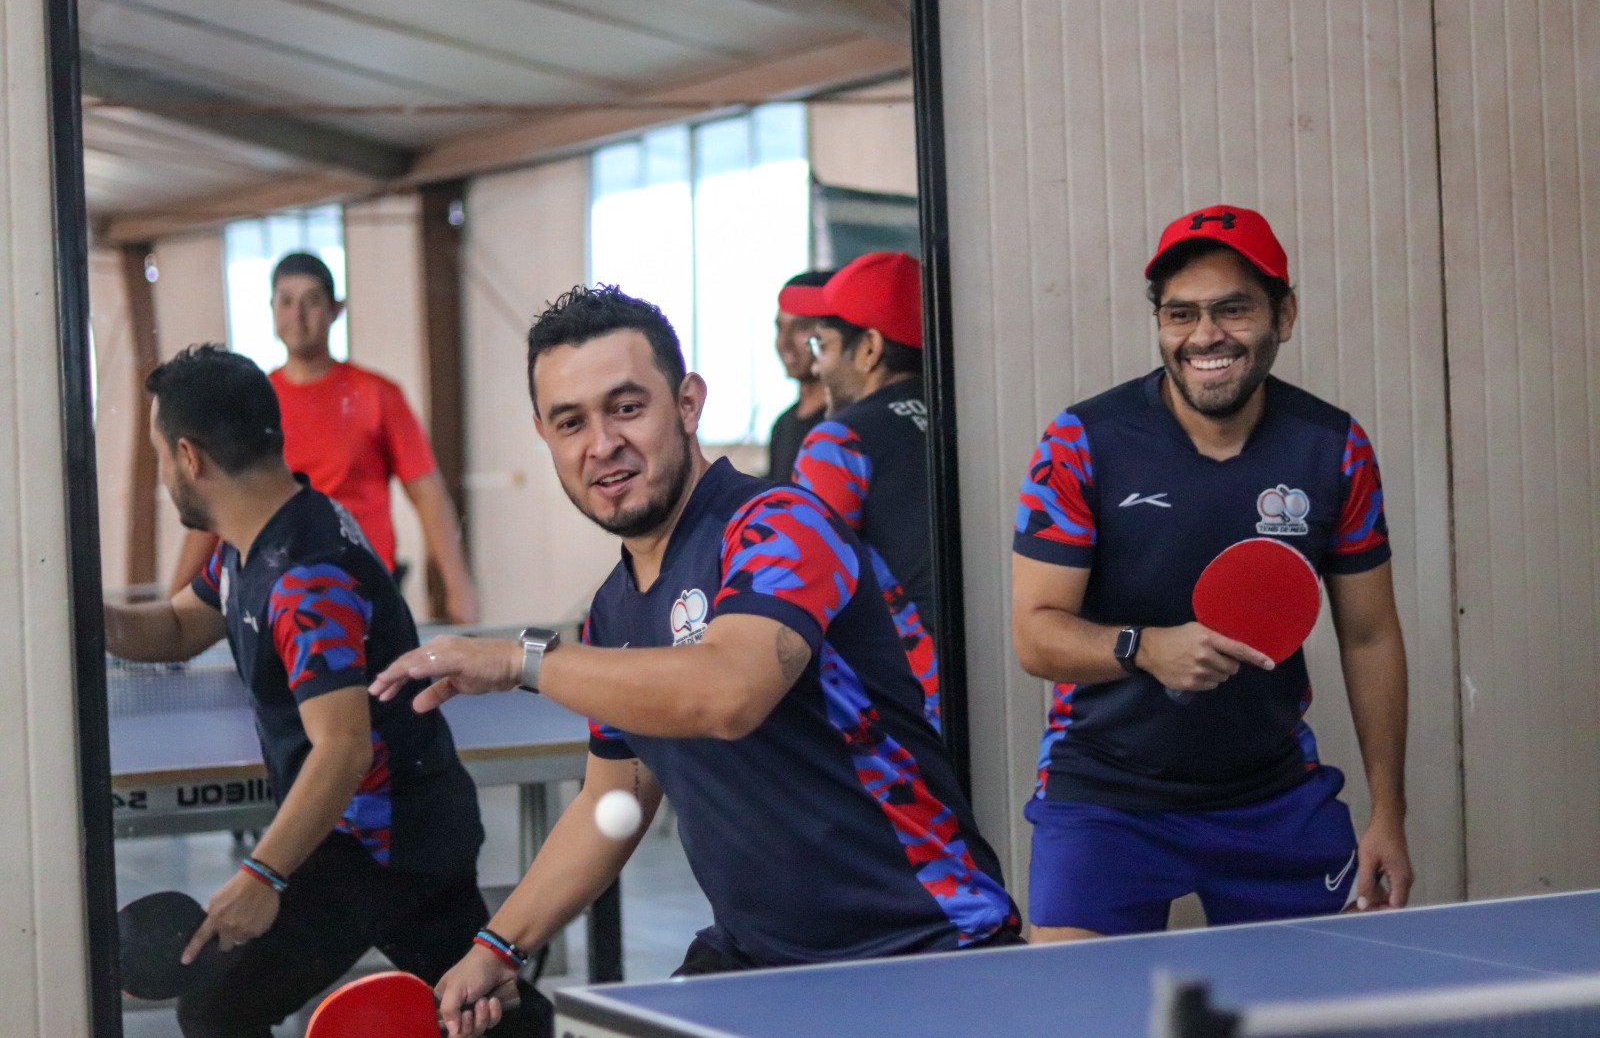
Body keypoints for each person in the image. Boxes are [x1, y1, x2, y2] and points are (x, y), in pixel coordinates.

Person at [369, 284, 1021, 1037]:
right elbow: (614, 803)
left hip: (924, 948)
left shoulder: (779, 526)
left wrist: (524, 661)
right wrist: (498, 945)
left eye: (626, 407)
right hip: (759, 961)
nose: (602, 444)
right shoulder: (613, 610)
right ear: (545, 436)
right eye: (571, 422)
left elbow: (727, 691)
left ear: (687, 404)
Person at [1010, 205, 1413, 942]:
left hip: (1273, 797)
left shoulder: (1335, 448)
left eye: (1233, 309)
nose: (1205, 336)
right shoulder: (1080, 443)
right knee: (1073, 1003)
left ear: (1283, 316)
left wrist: (1389, 811)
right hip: (1103, 797)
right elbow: (1036, 637)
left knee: (1325, 1003)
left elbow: (1370, 636)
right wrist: (1145, 649)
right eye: (1181, 314)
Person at [108, 345, 537, 1037]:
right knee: (484, 1010)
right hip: (408, 823)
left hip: (378, 844)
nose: (164, 474)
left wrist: (263, 874)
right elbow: (180, 626)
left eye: (161, 456)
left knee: (217, 1011)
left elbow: (342, 747)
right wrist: (81, 613)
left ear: (189, 457)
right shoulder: (257, 540)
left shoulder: (305, 577)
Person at [167, 251, 479, 625]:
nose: (298, 314)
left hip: (361, 595)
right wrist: (174, 603)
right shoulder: (249, 406)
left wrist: (459, 589)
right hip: (271, 598)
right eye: (286, 301)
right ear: (271, 309)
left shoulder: (377, 395)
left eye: (311, 301)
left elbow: (427, 494)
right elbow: (217, 501)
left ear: (335, 309)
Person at [791, 252, 940, 728]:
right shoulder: (964, 421)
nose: (818, 368)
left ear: (870, 349)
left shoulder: (838, 442)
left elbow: (803, 586)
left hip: (901, 706)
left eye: (823, 345)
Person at [764, 269, 832, 480]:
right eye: (779, 327)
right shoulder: (782, 426)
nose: (783, 342)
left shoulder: (843, 423)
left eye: (801, 327)